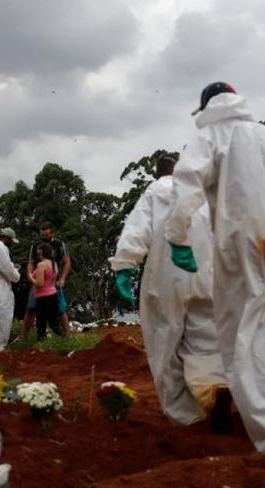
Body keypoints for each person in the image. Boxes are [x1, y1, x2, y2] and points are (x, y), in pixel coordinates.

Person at [164, 82, 265, 464]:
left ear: (206, 107)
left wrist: (178, 237)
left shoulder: (210, 136)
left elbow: (187, 184)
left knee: (244, 333)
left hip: (241, 240)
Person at [110, 155, 231, 429]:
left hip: (167, 276)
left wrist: (125, 265)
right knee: (206, 337)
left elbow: (137, 230)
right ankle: (214, 385)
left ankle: (185, 414)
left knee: (165, 342)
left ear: (158, 173)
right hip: (206, 276)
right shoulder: (203, 193)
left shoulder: (156, 191)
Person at [20, 222, 72, 340]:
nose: (44, 238)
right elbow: (31, 263)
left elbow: (67, 262)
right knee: (31, 308)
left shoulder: (60, 245)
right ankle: (23, 337)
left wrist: (63, 279)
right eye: (42, 235)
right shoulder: (35, 245)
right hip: (39, 280)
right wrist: (29, 274)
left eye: (47, 235)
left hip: (54, 281)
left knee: (60, 309)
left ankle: (67, 336)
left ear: (52, 233)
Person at [29, 242, 63, 341]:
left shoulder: (41, 265)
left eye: (38, 253)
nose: (37, 255)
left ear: (42, 252)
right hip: (53, 294)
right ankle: (63, 340)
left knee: (41, 323)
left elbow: (40, 284)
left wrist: (30, 277)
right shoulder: (54, 264)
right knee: (54, 322)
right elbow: (52, 280)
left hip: (42, 297)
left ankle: (42, 343)